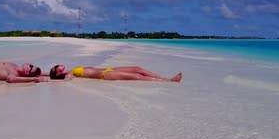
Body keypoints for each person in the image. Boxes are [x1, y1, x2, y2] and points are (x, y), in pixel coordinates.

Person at [49, 64, 182, 82]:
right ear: (58, 73)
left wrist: (43, 75)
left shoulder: (71, 69)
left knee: (137, 68)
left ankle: (163, 78)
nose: (59, 66)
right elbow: (65, 81)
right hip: (105, 75)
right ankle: (169, 82)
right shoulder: (69, 74)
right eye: (56, 68)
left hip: (109, 69)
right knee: (137, 77)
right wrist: (50, 80)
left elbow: (47, 74)